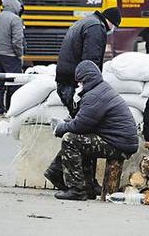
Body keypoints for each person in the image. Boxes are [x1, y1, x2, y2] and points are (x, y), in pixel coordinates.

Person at [47, 60, 138, 201]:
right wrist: (67, 123)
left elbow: (81, 125)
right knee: (82, 139)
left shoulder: (94, 96)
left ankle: (76, 189)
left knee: (70, 139)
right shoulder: (100, 90)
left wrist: (60, 128)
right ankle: (87, 187)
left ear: (84, 80)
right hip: (119, 141)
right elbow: (86, 122)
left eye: (79, 82)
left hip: (118, 145)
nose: (78, 86)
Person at [55, 6, 122, 116]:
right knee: (85, 118)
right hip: (74, 83)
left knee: (79, 119)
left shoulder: (86, 22)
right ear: (110, 21)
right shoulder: (96, 27)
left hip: (66, 78)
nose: (112, 29)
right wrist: (92, 86)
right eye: (114, 25)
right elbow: (91, 60)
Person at [0, 0, 24, 117]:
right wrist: (19, 54)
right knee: (15, 83)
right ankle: (13, 110)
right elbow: (17, 40)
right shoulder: (15, 19)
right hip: (11, 55)